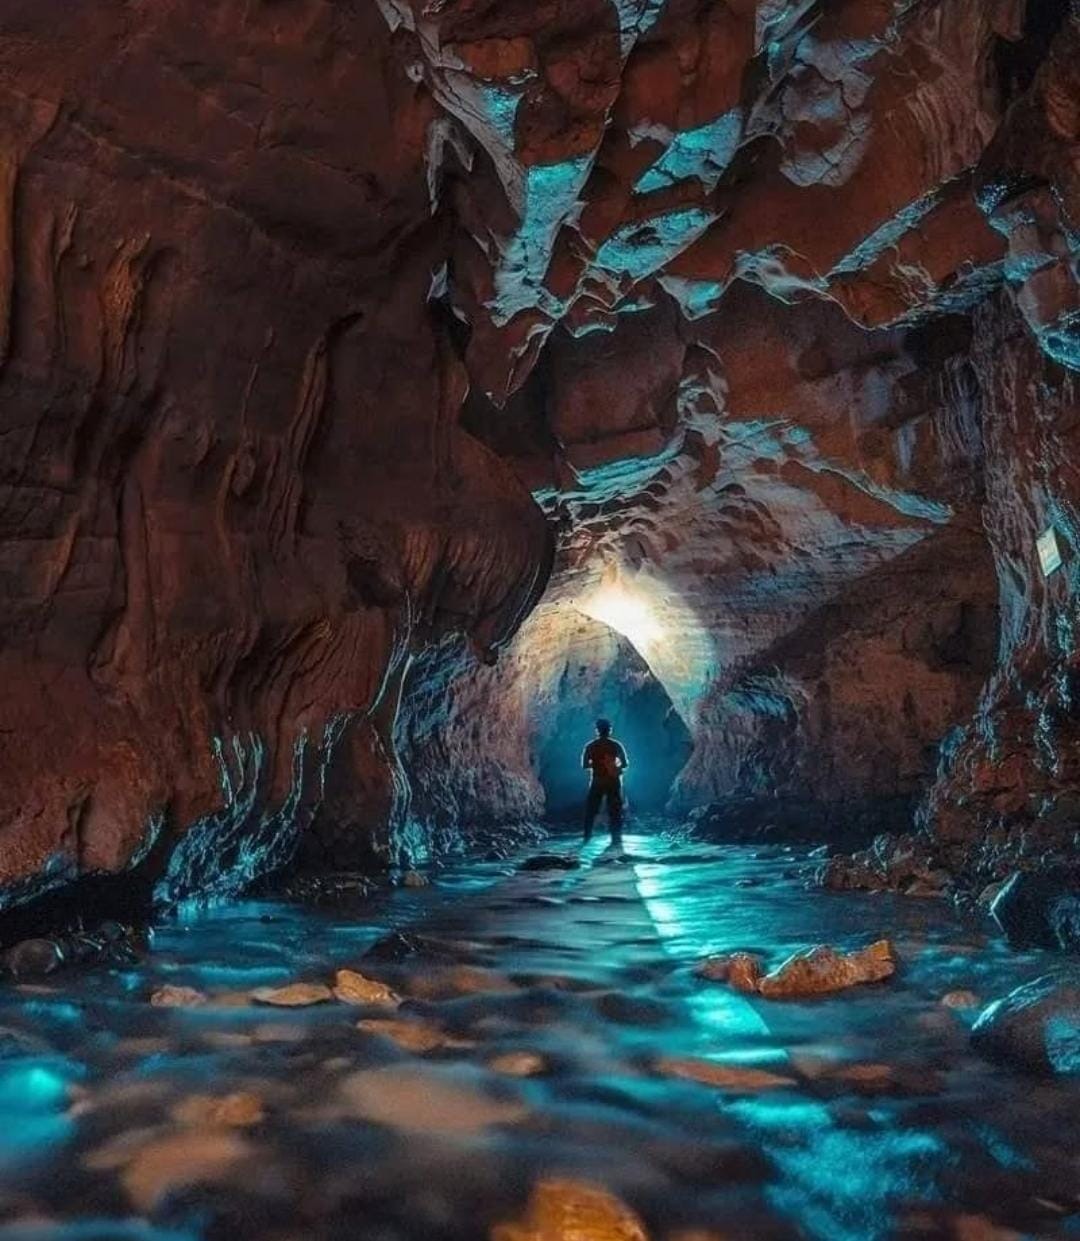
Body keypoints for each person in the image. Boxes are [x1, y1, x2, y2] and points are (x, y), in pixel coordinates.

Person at [581, 718, 629, 844]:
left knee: (591, 810)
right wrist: (613, 766)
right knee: (615, 811)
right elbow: (625, 764)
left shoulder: (591, 746)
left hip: (597, 780)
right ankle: (616, 839)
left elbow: (584, 765)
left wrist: (597, 764)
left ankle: (587, 837)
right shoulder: (616, 745)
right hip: (613, 781)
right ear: (610, 730)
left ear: (597, 730)